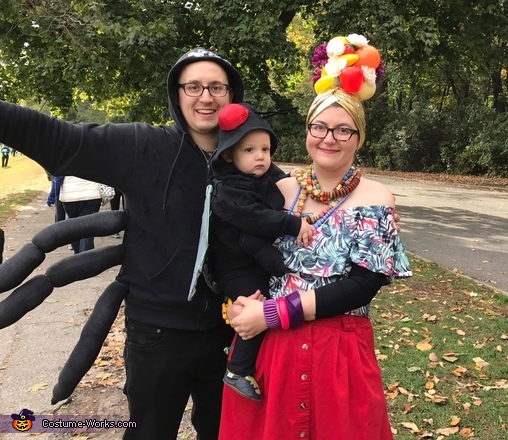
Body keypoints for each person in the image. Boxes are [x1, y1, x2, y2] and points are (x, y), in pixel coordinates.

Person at [0, 47, 246, 440]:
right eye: (194, 86)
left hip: (232, 333)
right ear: (176, 93)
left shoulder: (250, 157)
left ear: (233, 95)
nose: (206, 97)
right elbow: (59, 140)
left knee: (226, 433)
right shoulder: (141, 145)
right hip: (156, 333)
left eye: (217, 87)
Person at [219, 34, 412, 439]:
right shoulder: (279, 190)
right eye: (320, 126)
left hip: (338, 352)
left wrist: (272, 312)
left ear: (359, 137)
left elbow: (364, 284)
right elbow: (237, 244)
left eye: (344, 130)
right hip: (274, 348)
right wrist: (238, 299)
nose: (329, 138)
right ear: (307, 130)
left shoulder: (376, 198)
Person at [210, 102, 316, 400]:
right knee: (259, 302)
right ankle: (238, 368)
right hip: (234, 267)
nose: (261, 157)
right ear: (229, 154)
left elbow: (287, 182)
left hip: (251, 258)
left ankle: (238, 355)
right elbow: (254, 218)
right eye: (250, 150)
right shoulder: (228, 189)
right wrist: (292, 224)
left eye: (266, 149)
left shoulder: (259, 175)